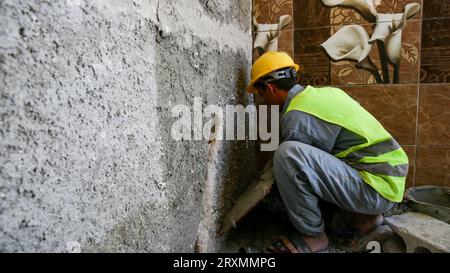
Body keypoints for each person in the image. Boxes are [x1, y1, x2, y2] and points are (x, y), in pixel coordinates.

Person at [246, 51, 409, 253]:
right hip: (389, 179)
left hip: (374, 188)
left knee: (288, 155)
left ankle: (313, 237)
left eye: (261, 94)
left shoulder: (296, 116)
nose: (264, 100)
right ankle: (366, 220)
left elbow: (300, 174)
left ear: (269, 89)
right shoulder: (328, 94)